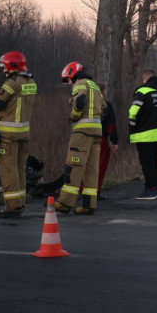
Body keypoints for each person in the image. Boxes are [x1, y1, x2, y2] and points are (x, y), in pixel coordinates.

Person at [0, 50, 36, 218]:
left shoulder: (11, 82)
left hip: (8, 135)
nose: (3, 71)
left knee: (9, 171)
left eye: (5, 67)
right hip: (24, 134)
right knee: (20, 170)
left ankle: (12, 207)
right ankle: (20, 203)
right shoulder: (31, 82)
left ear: (12, 66)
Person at [55, 61, 104, 215]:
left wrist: (73, 117)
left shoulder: (80, 83)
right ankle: (89, 205)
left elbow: (80, 102)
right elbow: (105, 108)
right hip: (97, 132)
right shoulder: (95, 86)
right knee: (91, 170)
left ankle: (64, 203)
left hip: (82, 131)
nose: (68, 83)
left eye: (67, 80)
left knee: (73, 166)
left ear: (72, 74)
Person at [129, 69, 157, 200]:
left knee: (147, 162)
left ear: (145, 79)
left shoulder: (142, 91)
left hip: (144, 133)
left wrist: (133, 124)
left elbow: (133, 112)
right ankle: (155, 187)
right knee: (154, 161)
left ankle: (151, 190)